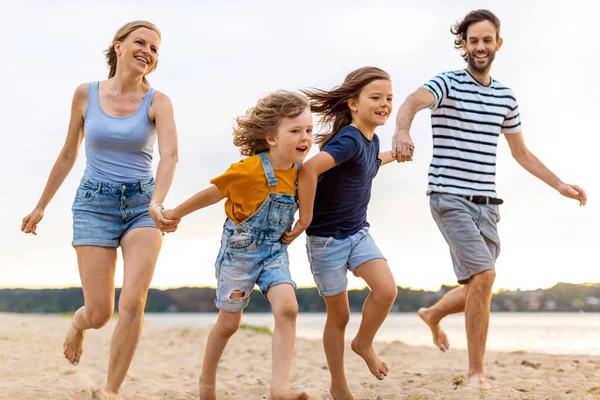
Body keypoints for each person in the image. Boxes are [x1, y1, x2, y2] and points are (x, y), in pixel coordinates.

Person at [391, 9, 587, 389]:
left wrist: (559, 185)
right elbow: (412, 102)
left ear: (498, 43)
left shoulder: (505, 97)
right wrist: (402, 132)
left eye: (487, 40)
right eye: (473, 40)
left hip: (488, 206)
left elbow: (522, 154)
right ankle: (477, 374)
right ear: (463, 44)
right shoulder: (447, 82)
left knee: (479, 285)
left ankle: (432, 314)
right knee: (485, 274)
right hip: (448, 195)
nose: (480, 47)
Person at [21, 21, 180, 399]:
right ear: (119, 46)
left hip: (143, 204)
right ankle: (77, 324)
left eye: (155, 48)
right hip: (94, 204)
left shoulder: (158, 101)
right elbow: (67, 154)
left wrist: (157, 200)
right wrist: (41, 205)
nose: (148, 51)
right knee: (98, 314)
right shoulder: (84, 94)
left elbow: (170, 155)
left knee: (134, 300)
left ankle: (111, 391)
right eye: (140, 42)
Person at [161, 91, 312, 400]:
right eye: (295, 131)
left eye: (308, 130)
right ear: (271, 137)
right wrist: (175, 213)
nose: (305, 138)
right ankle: (207, 381)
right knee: (229, 324)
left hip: (273, 253)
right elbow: (214, 193)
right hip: (240, 253)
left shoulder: (302, 173)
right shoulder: (249, 170)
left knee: (288, 308)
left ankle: (279, 388)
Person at [283, 67, 400, 400]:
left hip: (357, 233)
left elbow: (369, 162)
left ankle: (363, 342)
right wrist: (305, 219)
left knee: (386, 289)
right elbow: (309, 169)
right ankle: (338, 383)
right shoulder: (348, 138)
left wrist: (394, 155)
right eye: (375, 97)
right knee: (340, 315)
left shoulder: (369, 140)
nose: (384, 104)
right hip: (326, 241)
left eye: (389, 98)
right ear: (353, 103)